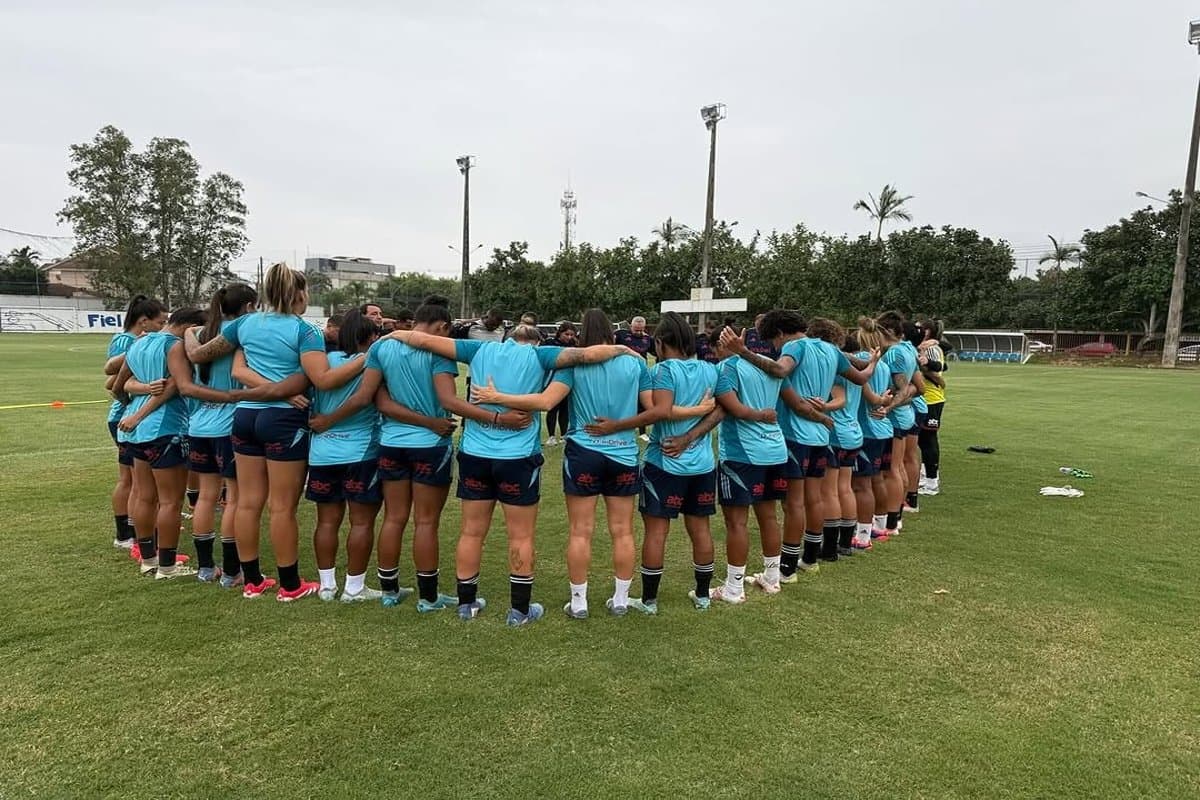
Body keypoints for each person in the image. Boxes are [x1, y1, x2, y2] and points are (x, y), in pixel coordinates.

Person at [385, 323, 635, 627]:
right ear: (533, 341)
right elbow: (589, 354)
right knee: (521, 535)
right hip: (518, 457)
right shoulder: (541, 355)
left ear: (506, 339)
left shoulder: (478, 349)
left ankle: (467, 605)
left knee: (471, 532)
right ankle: (519, 610)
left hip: (476, 453)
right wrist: (622, 347)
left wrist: (394, 334)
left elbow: (423, 339)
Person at [320, 296, 531, 611]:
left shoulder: (381, 347)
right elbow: (448, 401)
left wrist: (326, 421)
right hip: (430, 445)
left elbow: (374, 399)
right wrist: (497, 418)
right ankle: (428, 597)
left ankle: (390, 591)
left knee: (394, 517)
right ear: (443, 326)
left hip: (391, 443)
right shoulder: (436, 349)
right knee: (425, 522)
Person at [185, 263, 366, 602]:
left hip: (244, 418)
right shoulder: (305, 331)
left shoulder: (245, 324)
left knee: (248, 503)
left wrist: (186, 332)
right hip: (283, 420)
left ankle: (252, 581)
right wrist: (368, 357)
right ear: (300, 294)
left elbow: (201, 354)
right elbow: (323, 380)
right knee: (282, 507)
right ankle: (289, 585)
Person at [720, 311, 877, 580]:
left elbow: (780, 370)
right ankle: (810, 559)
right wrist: (872, 362)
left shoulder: (795, 346)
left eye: (773, 342)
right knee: (814, 498)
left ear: (780, 333)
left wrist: (743, 351)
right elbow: (862, 379)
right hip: (820, 437)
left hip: (794, 434)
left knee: (794, 504)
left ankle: (787, 569)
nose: (775, 349)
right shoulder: (830, 349)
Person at [627, 312, 723, 613]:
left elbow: (661, 411)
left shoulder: (663, 371)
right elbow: (720, 410)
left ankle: (649, 601)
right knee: (701, 530)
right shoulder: (711, 369)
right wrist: (694, 433)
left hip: (665, 461)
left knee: (656, 532)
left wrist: (682, 438)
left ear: (659, 342)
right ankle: (703, 595)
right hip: (703, 464)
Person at [114, 307, 210, 580]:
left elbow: (118, 386)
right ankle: (167, 566)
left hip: (135, 432)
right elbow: (175, 387)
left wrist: (134, 405)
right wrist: (142, 411)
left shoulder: (140, 342)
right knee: (170, 501)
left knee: (145, 496)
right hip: (165, 429)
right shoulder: (175, 347)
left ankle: (148, 560)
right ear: (191, 326)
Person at [305, 309, 383, 603]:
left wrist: (325, 421)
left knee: (326, 521)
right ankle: (354, 587)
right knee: (361, 522)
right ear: (371, 338)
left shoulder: (322, 363)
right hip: (360, 450)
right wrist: (332, 419)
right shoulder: (371, 364)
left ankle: (326, 586)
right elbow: (364, 398)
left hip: (323, 452)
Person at [182, 283, 258, 585]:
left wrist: (189, 333)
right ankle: (231, 571)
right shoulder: (241, 328)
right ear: (249, 306)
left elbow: (196, 354)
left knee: (205, 496)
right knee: (235, 499)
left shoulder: (201, 332)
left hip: (199, 423)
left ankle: (205, 568)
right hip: (230, 423)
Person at [711, 330, 786, 601]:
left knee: (736, 523)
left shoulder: (726, 368)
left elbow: (734, 408)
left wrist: (759, 415)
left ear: (723, 346)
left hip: (743, 454)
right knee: (768, 516)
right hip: (775, 450)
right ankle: (772, 578)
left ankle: (733, 588)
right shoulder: (769, 367)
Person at [103, 295, 167, 553]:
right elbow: (112, 379)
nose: (163, 328)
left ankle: (136, 530)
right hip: (125, 415)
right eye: (160, 322)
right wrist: (136, 393)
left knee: (137, 482)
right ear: (143, 322)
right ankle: (127, 534)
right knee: (131, 481)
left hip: (131, 413)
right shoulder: (127, 341)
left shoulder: (139, 340)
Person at [869, 311, 923, 539]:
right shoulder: (909, 349)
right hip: (904, 415)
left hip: (895, 418)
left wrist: (888, 406)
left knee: (892, 470)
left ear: (888, 332)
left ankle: (891, 521)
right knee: (898, 467)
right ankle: (895, 517)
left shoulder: (895, 354)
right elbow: (917, 387)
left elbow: (905, 388)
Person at [854, 318, 896, 547]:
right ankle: (879, 526)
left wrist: (879, 401)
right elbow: (886, 392)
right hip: (883, 428)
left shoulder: (862, 361)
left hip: (867, 428)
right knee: (878, 479)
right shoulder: (885, 365)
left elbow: (868, 394)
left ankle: (862, 534)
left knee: (861, 484)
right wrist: (884, 403)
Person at [917, 320, 947, 496]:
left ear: (928, 331)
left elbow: (939, 366)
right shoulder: (925, 345)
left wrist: (925, 363)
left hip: (931, 399)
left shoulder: (931, 348)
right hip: (923, 399)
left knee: (929, 440)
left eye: (920, 327)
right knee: (922, 440)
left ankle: (932, 482)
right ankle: (925, 477)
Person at [615, 316, 656, 441]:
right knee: (622, 401)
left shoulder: (648, 339)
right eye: (636, 330)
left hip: (639, 374)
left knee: (642, 402)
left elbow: (656, 353)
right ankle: (620, 427)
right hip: (622, 373)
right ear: (631, 326)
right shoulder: (621, 335)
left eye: (640, 330)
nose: (638, 333)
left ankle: (642, 432)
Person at [542, 322, 577, 446]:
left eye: (572, 335)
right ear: (560, 333)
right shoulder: (550, 343)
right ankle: (551, 436)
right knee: (552, 408)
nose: (569, 337)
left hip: (568, 381)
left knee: (565, 409)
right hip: (553, 379)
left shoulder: (575, 345)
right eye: (566, 334)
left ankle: (563, 435)